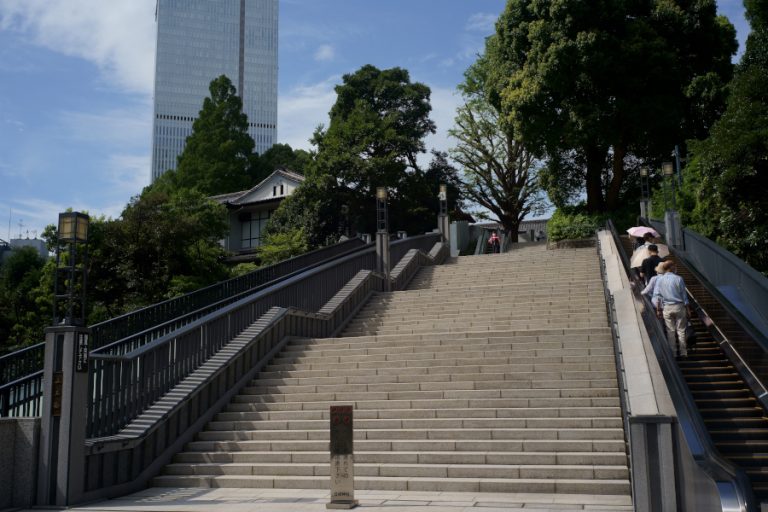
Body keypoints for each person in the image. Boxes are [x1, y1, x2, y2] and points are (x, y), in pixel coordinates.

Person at [653, 261, 692, 357]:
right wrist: (688, 309)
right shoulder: (679, 279)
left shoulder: (660, 280)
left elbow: (658, 296)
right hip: (679, 306)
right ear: (671, 267)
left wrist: (658, 309)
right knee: (681, 330)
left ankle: (673, 353)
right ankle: (683, 353)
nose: (676, 267)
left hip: (667, 307)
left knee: (670, 331)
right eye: (674, 266)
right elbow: (684, 295)